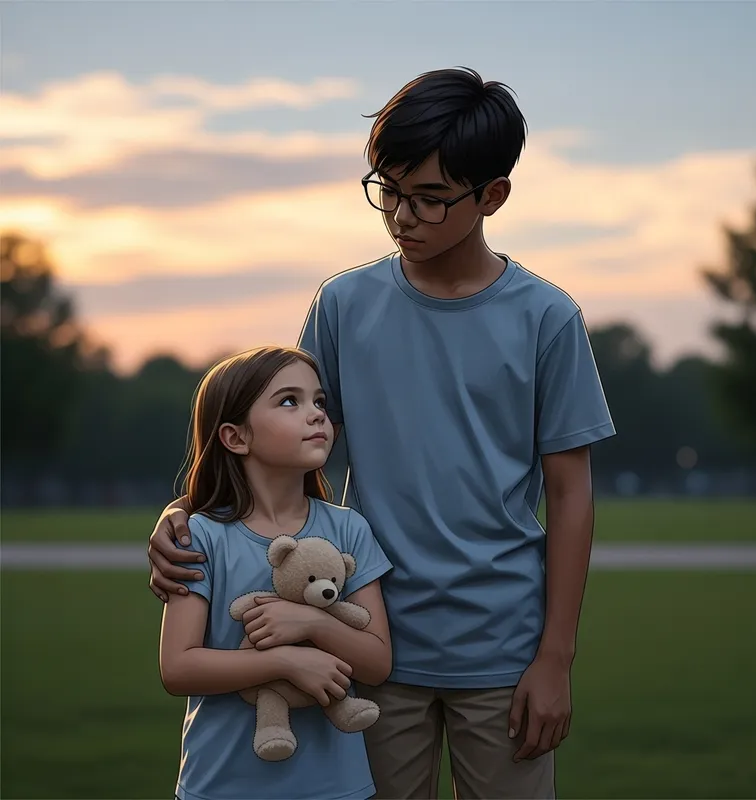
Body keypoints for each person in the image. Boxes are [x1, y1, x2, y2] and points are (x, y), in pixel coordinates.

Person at [149, 67, 615, 800]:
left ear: (492, 195)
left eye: (429, 199)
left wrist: (555, 656)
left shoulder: (547, 319)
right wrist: (186, 515)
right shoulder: (343, 304)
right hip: (363, 643)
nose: (401, 215)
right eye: (388, 189)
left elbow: (570, 490)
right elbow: (281, 442)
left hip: (503, 650)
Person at [158, 345, 392, 800]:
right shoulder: (202, 536)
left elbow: (377, 661)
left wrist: (311, 622)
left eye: (319, 402)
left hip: (336, 788)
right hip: (221, 785)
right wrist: (286, 660)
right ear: (235, 437)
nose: (316, 415)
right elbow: (178, 667)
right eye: (290, 401)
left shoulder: (348, 528)